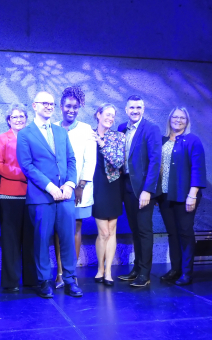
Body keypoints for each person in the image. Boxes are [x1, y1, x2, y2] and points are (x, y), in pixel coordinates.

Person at [16, 91, 83, 298]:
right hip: (41, 197)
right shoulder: (25, 133)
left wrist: (70, 184)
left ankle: (70, 279)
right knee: (42, 240)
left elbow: (71, 160)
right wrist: (49, 186)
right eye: (44, 103)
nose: (49, 106)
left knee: (67, 239)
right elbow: (26, 165)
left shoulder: (61, 131)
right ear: (34, 105)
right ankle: (44, 280)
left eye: (52, 104)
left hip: (65, 195)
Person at [157, 107, 206, 286]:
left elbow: (198, 168)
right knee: (172, 233)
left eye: (182, 117)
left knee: (185, 233)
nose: (178, 120)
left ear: (187, 121)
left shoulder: (193, 140)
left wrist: (192, 195)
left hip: (185, 195)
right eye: (175, 117)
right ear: (169, 119)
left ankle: (186, 272)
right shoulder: (162, 141)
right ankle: (175, 269)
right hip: (165, 196)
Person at [53, 86, 96, 289]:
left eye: (76, 107)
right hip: (57, 189)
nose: (72, 110)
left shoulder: (86, 129)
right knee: (59, 230)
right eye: (68, 106)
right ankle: (60, 272)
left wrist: (80, 185)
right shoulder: (52, 127)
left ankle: (72, 272)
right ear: (61, 106)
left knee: (75, 229)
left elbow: (90, 160)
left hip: (79, 189)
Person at [117, 95, 162, 288]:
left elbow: (155, 161)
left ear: (143, 109)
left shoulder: (151, 129)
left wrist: (148, 190)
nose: (135, 111)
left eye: (139, 107)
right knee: (134, 229)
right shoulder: (121, 128)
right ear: (126, 110)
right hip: (126, 185)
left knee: (144, 230)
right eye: (132, 108)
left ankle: (145, 272)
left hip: (143, 188)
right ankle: (136, 269)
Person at [0, 104, 37, 292]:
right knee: (10, 240)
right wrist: (24, 173)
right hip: (9, 194)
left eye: (21, 116)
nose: (18, 119)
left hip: (31, 195)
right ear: (8, 120)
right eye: (14, 116)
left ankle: (31, 280)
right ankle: (10, 282)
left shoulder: (33, 139)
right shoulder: (1, 139)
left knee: (30, 239)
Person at [92, 104, 125, 286]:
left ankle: (109, 271)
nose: (110, 118)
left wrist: (103, 144)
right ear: (98, 115)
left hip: (113, 184)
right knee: (103, 231)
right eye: (107, 114)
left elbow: (118, 161)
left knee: (112, 230)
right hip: (97, 185)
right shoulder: (88, 134)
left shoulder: (118, 137)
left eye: (113, 116)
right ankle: (100, 269)